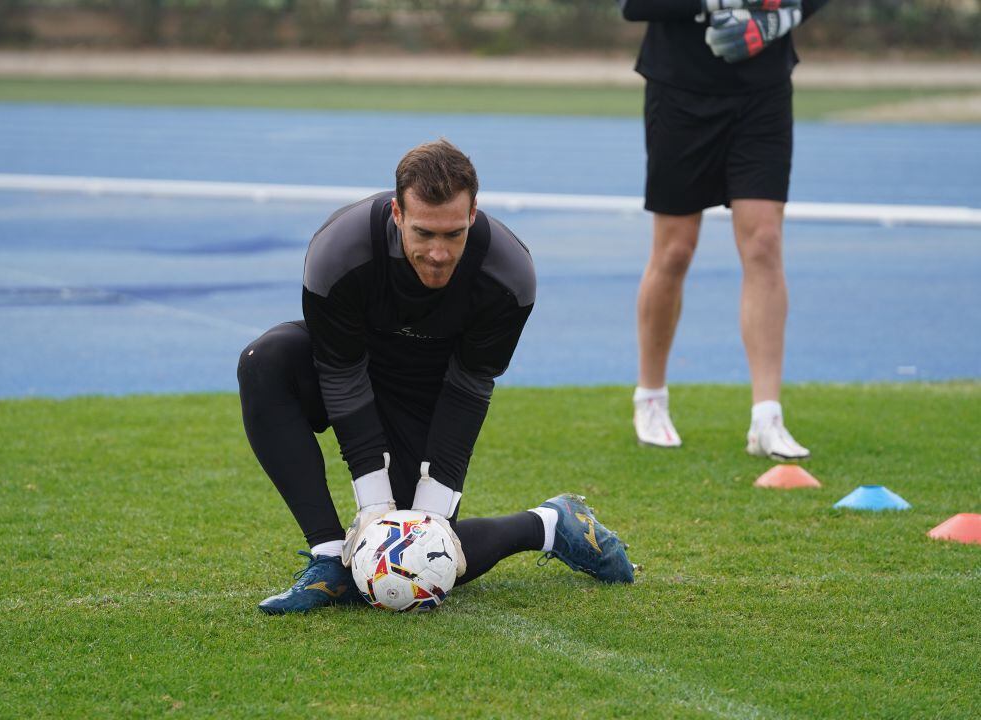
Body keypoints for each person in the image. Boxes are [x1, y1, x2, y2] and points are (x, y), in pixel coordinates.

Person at [238, 139, 635, 614]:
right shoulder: (339, 252)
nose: (439, 253)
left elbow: (468, 389)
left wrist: (430, 513)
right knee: (265, 361)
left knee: (423, 562)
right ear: (397, 214)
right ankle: (329, 561)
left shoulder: (507, 275)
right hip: (349, 370)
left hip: (428, 395)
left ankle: (550, 524)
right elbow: (341, 371)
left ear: (472, 216)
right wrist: (374, 511)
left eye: (453, 235)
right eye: (424, 233)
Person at [619, 0, 829, 460]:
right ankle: (650, 398)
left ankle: (767, 417)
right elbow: (634, 6)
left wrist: (782, 16)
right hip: (679, 86)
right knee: (674, 250)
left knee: (764, 241)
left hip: (763, 89)